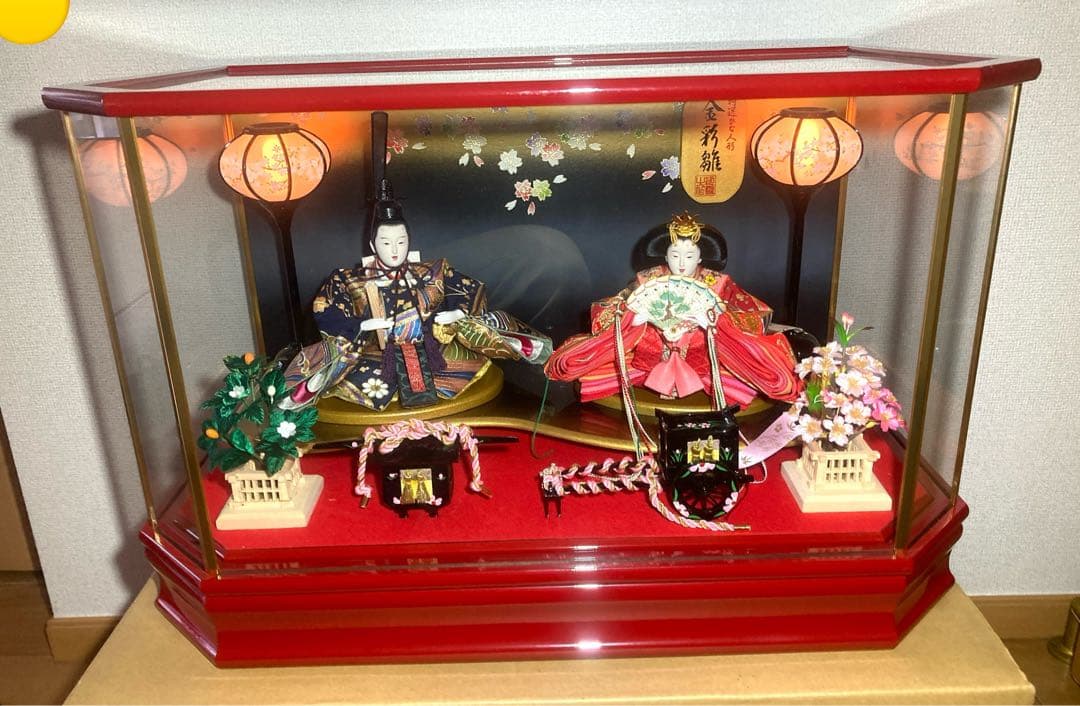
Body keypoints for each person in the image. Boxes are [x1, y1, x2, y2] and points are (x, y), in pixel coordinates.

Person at [303, 180, 551, 411]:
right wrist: (362, 325)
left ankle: (528, 347)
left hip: (433, 348)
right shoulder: (350, 279)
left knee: (470, 342)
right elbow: (326, 308)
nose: (395, 250)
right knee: (345, 366)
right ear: (372, 245)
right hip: (376, 355)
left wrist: (458, 313)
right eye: (386, 243)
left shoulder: (431, 271)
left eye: (401, 241)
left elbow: (466, 287)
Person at [544, 213, 801, 408]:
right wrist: (636, 318)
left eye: (689, 256)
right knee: (583, 362)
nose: (681, 263)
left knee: (765, 373)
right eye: (675, 255)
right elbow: (613, 307)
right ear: (665, 256)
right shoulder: (648, 279)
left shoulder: (718, 282)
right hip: (651, 355)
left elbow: (752, 313)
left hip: (704, 356)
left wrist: (714, 320)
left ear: (701, 258)